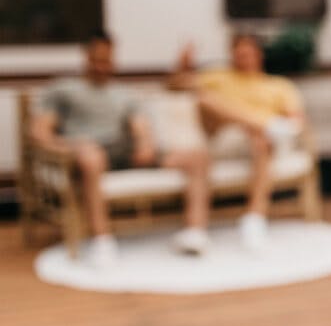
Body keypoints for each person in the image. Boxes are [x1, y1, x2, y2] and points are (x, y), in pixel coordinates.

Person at [31, 32, 211, 267]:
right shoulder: (64, 90)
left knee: (197, 157)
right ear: (86, 57)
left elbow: (139, 125)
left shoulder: (123, 93)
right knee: (91, 157)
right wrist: (72, 146)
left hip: (124, 150)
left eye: (107, 60)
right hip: (87, 150)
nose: (102, 66)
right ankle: (102, 241)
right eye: (97, 59)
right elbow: (40, 133)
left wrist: (144, 143)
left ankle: (194, 233)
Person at [171, 33, 305, 249]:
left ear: (259, 54)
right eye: (238, 53)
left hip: (259, 143)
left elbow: (296, 122)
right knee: (204, 98)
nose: (242, 58)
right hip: (225, 137)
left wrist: (261, 129)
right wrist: (182, 65)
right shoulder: (217, 76)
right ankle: (261, 124)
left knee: (261, 139)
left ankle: (254, 218)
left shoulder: (279, 85)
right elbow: (174, 85)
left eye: (247, 53)